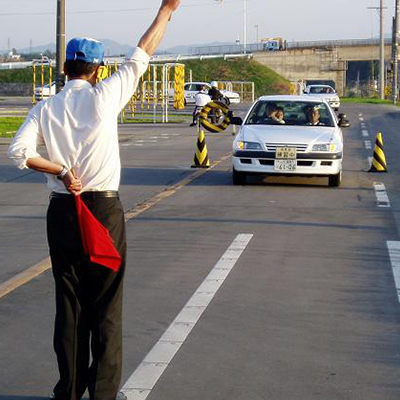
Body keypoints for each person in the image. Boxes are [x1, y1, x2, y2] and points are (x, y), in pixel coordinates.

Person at [7, 1, 181, 400]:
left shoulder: (44, 107)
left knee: (68, 303)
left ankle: (66, 391)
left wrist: (60, 171)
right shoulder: (105, 97)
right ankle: (103, 394)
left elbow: (17, 154)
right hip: (102, 212)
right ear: (98, 69)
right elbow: (143, 51)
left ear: (65, 68)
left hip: (62, 213)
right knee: (105, 303)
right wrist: (166, 11)